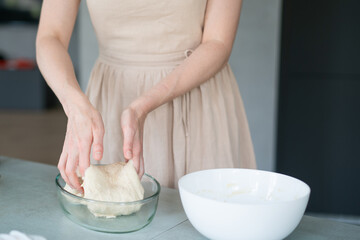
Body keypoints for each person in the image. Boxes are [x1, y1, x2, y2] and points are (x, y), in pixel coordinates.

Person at [36, 0, 256, 189]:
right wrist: (73, 103)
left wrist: (143, 105)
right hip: (113, 103)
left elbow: (218, 42)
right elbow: (50, 35)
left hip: (196, 101)